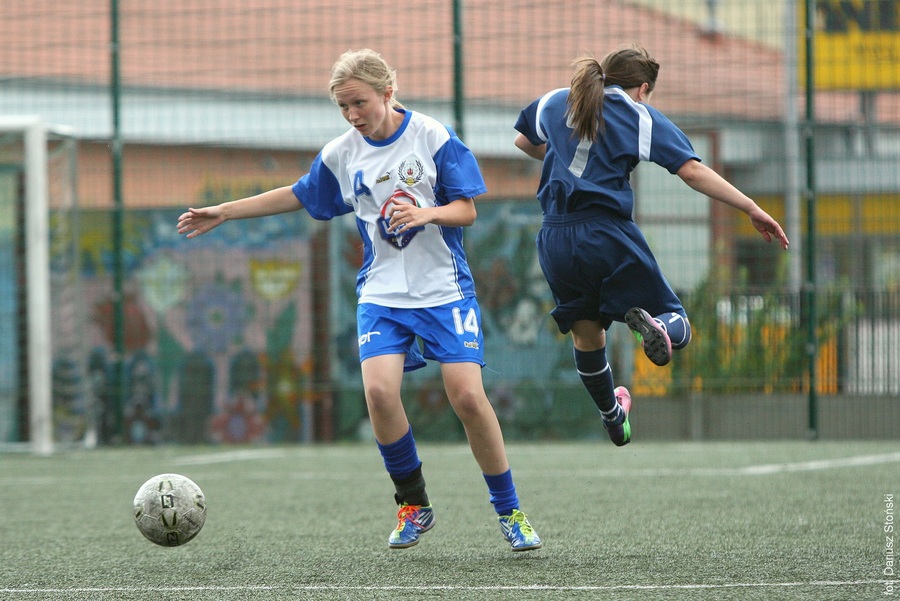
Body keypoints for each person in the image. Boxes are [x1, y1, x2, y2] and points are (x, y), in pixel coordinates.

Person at [177, 49, 541, 552]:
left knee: (468, 398)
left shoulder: (431, 137)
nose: (352, 115)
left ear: (387, 93)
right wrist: (224, 210)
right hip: (382, 294)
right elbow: (298, 195)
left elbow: (467, 210)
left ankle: (510, 511)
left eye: (360, 103)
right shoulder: (342, 153)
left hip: (443, 291)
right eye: (343, 106)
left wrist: (426, 214)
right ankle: (413, 505)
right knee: (378, 394)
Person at [513, 45, 789, 446]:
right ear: (642, 89)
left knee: (587, 336)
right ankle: (658, 326)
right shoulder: (637, 115)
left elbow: (523, 141)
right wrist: (750, 207)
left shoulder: (558, 100)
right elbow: (691, 171)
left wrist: (561, 157)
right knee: (679, 320)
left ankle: (612, 417)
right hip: (604, 232)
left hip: (554, 237)